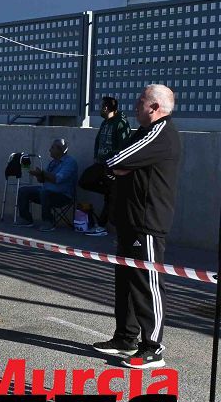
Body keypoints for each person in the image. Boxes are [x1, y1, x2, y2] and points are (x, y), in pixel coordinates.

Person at [93, 85, 181, 369]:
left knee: (148, 284)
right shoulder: (142, 132)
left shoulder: (161, 132)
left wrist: (118, 166)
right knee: (126, 283)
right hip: (129, 220)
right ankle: (126, 338)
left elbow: (117, 160)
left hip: (148, 223)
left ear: (155, 107)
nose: (134, 105)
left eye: (140, 101)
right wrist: (119, 166)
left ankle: (153, 347)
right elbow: (120, 161)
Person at [79, 96, 131, 232]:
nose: (99, 110)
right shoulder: (105, 123)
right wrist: (96, 155)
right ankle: (108, 191)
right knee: (84, 180)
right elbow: (98, 140)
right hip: (100, 163)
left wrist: (113, 160)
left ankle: (101, 226)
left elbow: (123, 146)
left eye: (101, 106)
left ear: (106, 108)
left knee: (111, 199)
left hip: (112, 166)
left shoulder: (120, 123)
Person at [15, 138, 77, 231]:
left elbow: (57, 179)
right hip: (46, 191)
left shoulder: (69, 163)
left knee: (45, 192)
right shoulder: (53, 162)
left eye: (52, 148)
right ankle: (26, 219)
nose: (49, 150)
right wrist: (38, 175)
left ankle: (48, 222)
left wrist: (43, 173)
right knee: (24, 190)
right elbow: (42, 180)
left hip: (62, 196)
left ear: (60, 150)